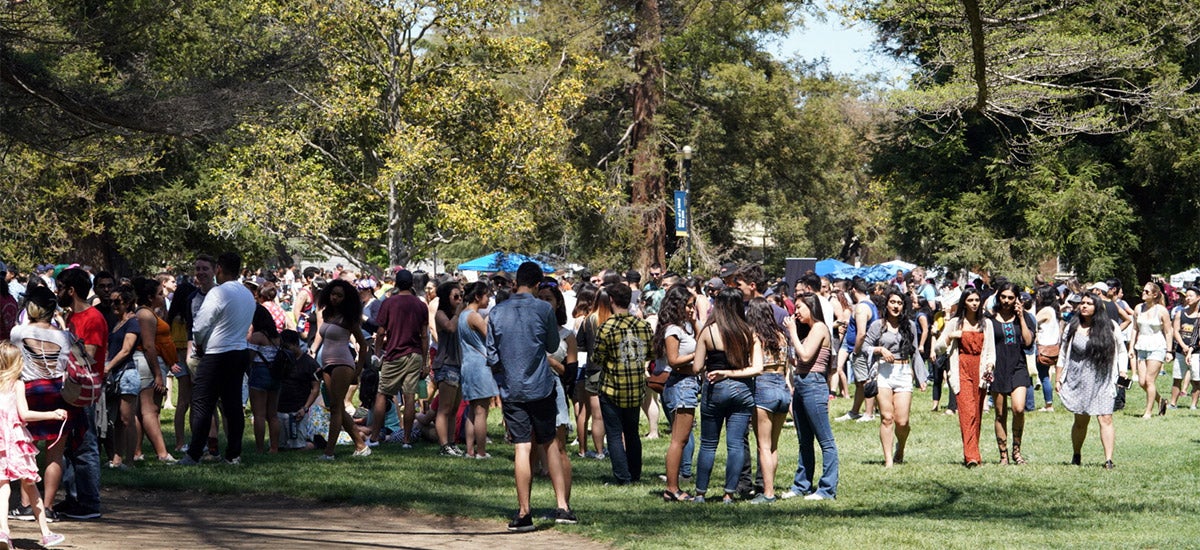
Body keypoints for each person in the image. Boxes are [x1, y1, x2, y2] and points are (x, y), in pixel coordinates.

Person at [486, 261, 575, 531]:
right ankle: (563, 506)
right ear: (537, 285)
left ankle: (524, 511)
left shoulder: (497, 312)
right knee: (549, 445)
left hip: (512, 389)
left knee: (522, 447)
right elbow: (551, 344)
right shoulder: (543, 309)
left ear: (515, 282)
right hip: (541, 387)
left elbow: (492, 356)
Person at [7, 287, 84, 523]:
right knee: (55, 454)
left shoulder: (18, 332)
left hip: (28, 391)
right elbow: (83, 361)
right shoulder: (66, 336)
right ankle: (47, 507)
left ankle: (26, 505)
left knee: (26, 449)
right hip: (58, 393)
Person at [179, 252, 256, 466]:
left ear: (219, 268)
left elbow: (201, 325)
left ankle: (194, 454)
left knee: (202, 403)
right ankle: (233, 455)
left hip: (216, 353)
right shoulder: (248, 294)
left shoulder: (217, 293)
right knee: (233, 405)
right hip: (239, 351)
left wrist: (199, 344)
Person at [691, 288, 762, 504]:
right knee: (736, 444)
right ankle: (729, 493)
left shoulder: (708, 332)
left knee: (708, 444)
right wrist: (733, 373)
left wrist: (718, 371)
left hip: (715, 390)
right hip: (742, 391)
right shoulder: (749, 332)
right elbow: (757, 367)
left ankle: (700, 493)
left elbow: (696, 367)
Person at [0, 342, 67, 548]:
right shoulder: (17, 384)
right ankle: (46, 532)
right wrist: (52, 414)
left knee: (3, 487)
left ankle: (3, 532)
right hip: (15, 439)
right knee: (30, 484)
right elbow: (25, 414)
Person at [52, 268, 105, 520]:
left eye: (60, 287)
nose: (57, 292)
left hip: (84, 391)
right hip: (71, 388)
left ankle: (89, 502)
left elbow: (89, 357)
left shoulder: (92, 318)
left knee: (85, 445)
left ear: (71, 291)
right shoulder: (72, 316)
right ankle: (74, 497)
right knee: (70, 447)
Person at [592, 282, 653, 486]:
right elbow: (651, 354)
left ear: (611, 301)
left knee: (615, 434)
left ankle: (622, 476)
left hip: (612, 388)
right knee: (632, 432)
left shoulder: (606, 327)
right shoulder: (644, 326)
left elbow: (597, 358)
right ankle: (635, 473)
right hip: (636, 388)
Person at [1055, 293, 1124, 469]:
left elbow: (1122, 351)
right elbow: (1063, 353)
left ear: (1097, 307)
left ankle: (1108, 460)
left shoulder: (1110, 326)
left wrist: (1122, 371)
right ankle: (1076, 454)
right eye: (1082, 303)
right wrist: (1058, 378)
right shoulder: (1073, 326)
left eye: (1088, 303)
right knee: (1080, 421)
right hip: (1079, 379)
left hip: (1103, 378)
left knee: (1106, 418)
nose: (1083, 306)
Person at [781, 292, 838, 500]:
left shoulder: (820, 328)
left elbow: (805, 354)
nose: (796, 312)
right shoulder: (808, 330)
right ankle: (801, 485)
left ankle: (827, 489)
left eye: (799, 307)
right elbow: (801, 359)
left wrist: (793, 332)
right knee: (804, 439)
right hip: (802, 383)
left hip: (814, 385)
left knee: (825, 440)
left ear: (811, 307)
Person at [863, 290, 927, 467]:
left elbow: (915, 353)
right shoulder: (878, 325)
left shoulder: (910, 326)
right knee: (886, 417)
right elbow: (865, 347)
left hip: (903, 371)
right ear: (886, 304)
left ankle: (901, 448)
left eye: (899, 303)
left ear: (903, 306)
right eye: (892, 302)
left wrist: (921, 377)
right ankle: (888, 460)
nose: (896, 306)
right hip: (883, 372)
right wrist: (879, 350)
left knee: (902, 421)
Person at [310, 279, 371, 460]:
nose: (335, 298)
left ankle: (329, 452)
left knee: (337, 408)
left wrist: (358, 370)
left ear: (346, 299)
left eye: (339, 295)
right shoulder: (327, 314)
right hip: (327, 364)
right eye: (333, 294)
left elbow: (363, 344)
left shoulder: (348, 319)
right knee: (335, 407)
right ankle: (360, 445)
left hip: (343, 363)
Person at [371, 269, 428, 448]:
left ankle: (373, 438)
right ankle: (407, 440)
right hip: (415, 354)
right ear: (412, 284)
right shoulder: (420, 305)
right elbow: (424, 335)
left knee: (382, 394)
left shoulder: (389, 303)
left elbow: (381, 332)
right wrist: (425, 360)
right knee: (409, 396)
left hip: (394, 354)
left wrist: (377, 352)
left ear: (395, 283)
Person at [654, 285, 699, 502]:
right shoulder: (673, 330)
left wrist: (695, 321)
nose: (691, 310)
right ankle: (672, 487)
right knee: (678, 441)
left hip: (689, 384)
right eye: (689, 306)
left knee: (681, 439)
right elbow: (673, 360)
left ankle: (674, 486)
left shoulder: (686, 327)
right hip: (681, 385)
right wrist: (696, 355)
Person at [983, 282, 1034, 465]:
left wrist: (1020, 317)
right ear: (998, 297)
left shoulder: (1025, 318)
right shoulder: (989, 318)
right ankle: (1003, 454)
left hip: (1018, 366)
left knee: (1019, 408)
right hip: (998, 368)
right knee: (1000, 413)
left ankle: (1017, 451)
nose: (1006, 301)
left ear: (1016, 299)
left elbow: (1028, 342)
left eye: (1010, 297)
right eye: (1003, 297)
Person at [936, 288, 987, 467]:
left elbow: (991, 351)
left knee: (978, 413)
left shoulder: (985, 323)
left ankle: (975, 451)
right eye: (970, 300)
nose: (974, 303)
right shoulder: (956, 323)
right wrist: (950, 337)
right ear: (964, 302)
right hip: (962, 370)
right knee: (967, 412)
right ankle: (970, 456)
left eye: (976, 300)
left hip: (980, 370)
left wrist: (990, 365)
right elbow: (937, 347)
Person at [746, 298, 790, 503]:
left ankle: (768, 492)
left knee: (762, 445)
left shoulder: (754, 337)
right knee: (773, 445)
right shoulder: (782, 336)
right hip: (782, 388)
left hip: (763, 386)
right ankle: (768, 487)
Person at [131, 277, 175, 462]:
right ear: (149, 297)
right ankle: (162, 453)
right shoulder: (145, 315)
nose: (162, 295)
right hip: (148, 364)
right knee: (150, 410)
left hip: (150, 363)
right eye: (159, 293)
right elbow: (149, 345)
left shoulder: (148, 313)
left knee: (143, 411)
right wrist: (157, 374)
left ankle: (137, 452)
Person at [103, 286, 142, 468]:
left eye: (117, 302)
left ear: (127, 303)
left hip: (127, 374)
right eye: (111, 301)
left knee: (128, 419)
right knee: (117, 420)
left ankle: (130, 460)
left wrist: (107, 367)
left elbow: (126, 350)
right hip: (115, 374)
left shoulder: (132, 323)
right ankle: (117, 460)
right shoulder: (117, 322)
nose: (113, 305)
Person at [458, 282, 497, 459]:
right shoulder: (474, 316)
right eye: (486, 295)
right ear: (477, 296)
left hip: (468, 364)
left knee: (473, 411)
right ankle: (481, 451)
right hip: (479, 365)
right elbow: (490, 337)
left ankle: (470, 450)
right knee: (481, 411)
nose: (488, 299)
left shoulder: (462, 315)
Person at [835, 278, 878, 423]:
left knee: (865, 381)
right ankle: (854, 411)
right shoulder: (871, 304)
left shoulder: (861, 307)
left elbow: (861, 333)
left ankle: (868, 413)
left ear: (853, 290)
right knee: (860, 382)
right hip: (864, 348)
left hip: (861, 349)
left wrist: (855, 351)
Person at [1128, 281, 1171, 418]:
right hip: (1142, 346)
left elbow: (1168, 332)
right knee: (1142, 382)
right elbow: (1135, 329)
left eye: (1147, 291)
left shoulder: (1161, 310)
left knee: (1149, 380)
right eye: (1143, 290)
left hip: (1157, 346)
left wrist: (1169, 351)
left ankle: (1148, 412)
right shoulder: (1138, 308)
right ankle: (1161, 401)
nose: (1143, 293)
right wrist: (1131, 347)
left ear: (1155, 295)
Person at [431, 281, 464, 456]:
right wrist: (458, 313)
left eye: (461, 296)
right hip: (446, 365)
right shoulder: (441, 314)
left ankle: (452, 443)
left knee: (454, 409)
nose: (459, 300)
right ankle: (444, 446)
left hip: (459, 365)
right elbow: (450, 328)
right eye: (456, 297)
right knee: (444, 408)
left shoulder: (459, 315)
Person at [247, 305, 283, 453]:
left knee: (259, 414)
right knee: (273, 415)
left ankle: (260, 448)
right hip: (275, 374)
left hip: (259, 372)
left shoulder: (257, 337)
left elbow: (249, 358)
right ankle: (274, 447)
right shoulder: (277, 337)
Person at [1170, 286, 1200, 409]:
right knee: (1177, 378)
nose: (1187, 298)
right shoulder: (1180, 313)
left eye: (1190, 296)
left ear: (1198, 298)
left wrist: (1191, 349)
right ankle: (1173, 403)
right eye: (1186, 296)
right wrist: (1183, 346)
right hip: (1180, 351)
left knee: (1196, 379)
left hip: (1196, 352)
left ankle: (1193, 404)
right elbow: (1175, 331)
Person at [1033, 286, 1061, 412]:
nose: (1037, 297)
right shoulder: (1053, 310)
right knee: (1045, 376)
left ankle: (1049, 405)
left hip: (1042, 348)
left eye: (1039, 294)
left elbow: (1031, 321)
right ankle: (1048, 403)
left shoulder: (1045, 311)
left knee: (1043, 376)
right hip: (1052, 348)